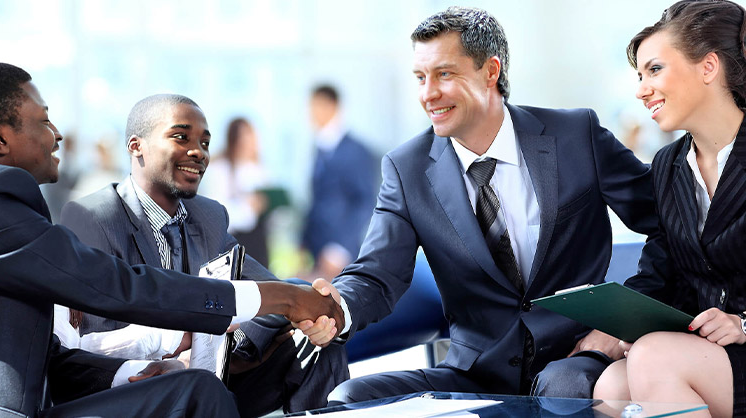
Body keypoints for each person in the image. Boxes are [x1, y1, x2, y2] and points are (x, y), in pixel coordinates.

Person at [302, 6, 668, 404]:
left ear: (490, 72)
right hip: (474, 371)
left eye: (444, 74)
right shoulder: (406, 170)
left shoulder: (576, 135)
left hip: (575, 357)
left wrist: (619, 324)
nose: (428, 94)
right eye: (421, 78)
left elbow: (669, 223)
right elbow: (377, 274)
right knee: (351, 396)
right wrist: (337, 308)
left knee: (562, 388)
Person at [0, 62, 343, 418]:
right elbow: (119, 287)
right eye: (44, 121)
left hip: (108, 382)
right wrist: (283, 299)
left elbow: (52, 350)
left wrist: (145, 370)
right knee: (197, 391)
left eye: (205, 141)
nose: (58, 133)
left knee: (287, 358)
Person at [59, 95, 348, 416]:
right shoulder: (93, 217)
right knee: (202, 383)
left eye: (205, 142)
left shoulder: (208, 216)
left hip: (207, 374)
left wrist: (310, 318)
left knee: (317, 343)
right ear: (135, 146)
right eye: (180, 137)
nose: (198, 151)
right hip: (139, 389)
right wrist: (184, 350)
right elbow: (94, 346)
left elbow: (265, 290)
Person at [593, 1, 746, 416]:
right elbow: (660, 272)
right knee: (612, 384)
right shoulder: (668, 166)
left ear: (708, 67)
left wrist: (743, 323)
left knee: (654, 357)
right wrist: (615, 321)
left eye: (654, 70)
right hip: (713, 352)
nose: (642, 90)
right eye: (639, 76)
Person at [301, 85, 378, 280]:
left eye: (316, 106)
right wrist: (303, 243)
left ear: (332, 106)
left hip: (339, 255)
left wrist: (340, 249)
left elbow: (365, 202)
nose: (311, 113)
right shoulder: (319, 147)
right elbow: (317, 200)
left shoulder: (356, 151)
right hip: (316, 250)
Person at [200, 117, 271, 266]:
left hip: (258, 244)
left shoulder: (259, 170)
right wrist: (248, 207)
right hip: (232, 244)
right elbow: (217, 212)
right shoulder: (220, 169)